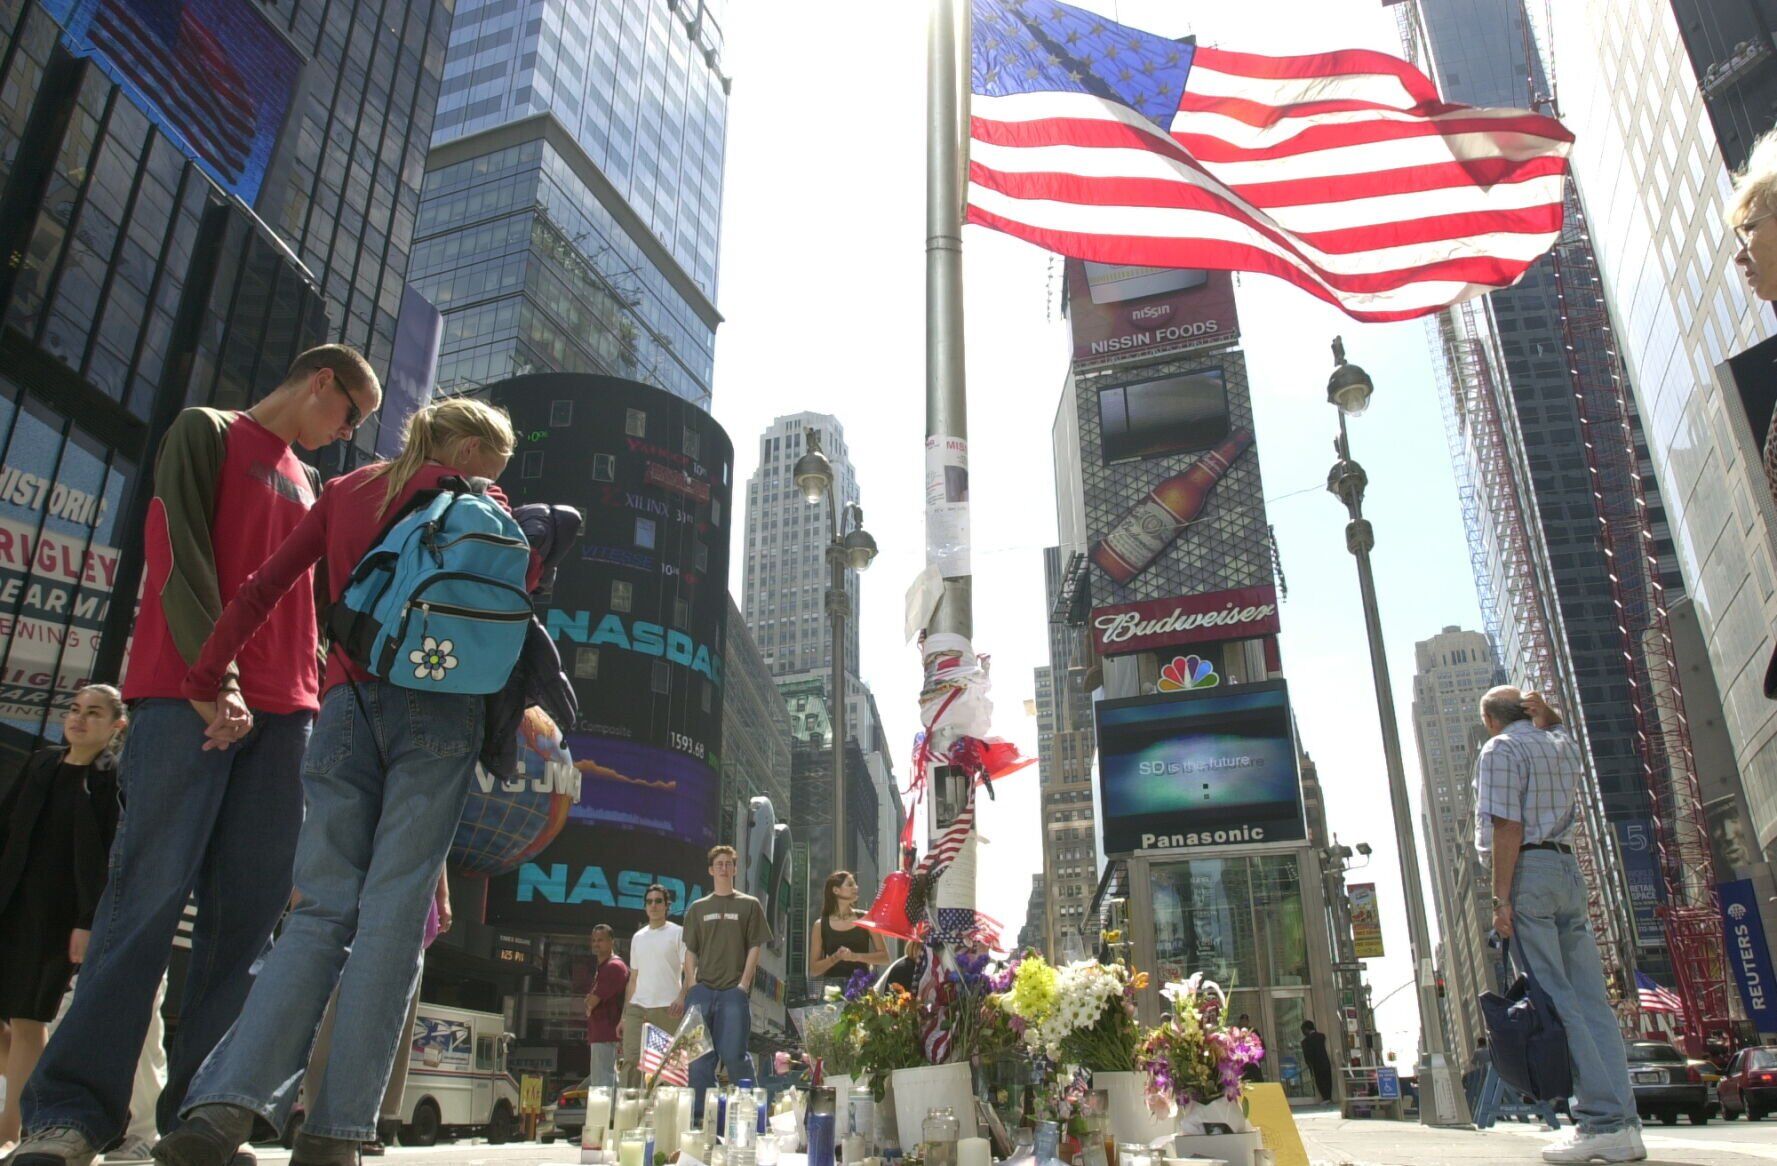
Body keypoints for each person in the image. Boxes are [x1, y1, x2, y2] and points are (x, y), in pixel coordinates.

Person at [10, 347, 378, 1166]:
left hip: (289, 719)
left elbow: (315, 602)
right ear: (322, 382)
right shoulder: (206, 432)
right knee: (143, 900)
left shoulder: (313, 484)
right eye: (350, 414)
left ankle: (202, 1119)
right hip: (188, 694)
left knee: (244, 930)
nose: (348, 432)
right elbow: (178, 551)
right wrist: (223, 680)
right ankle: (70, 1114)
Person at [148, 397, 529, 1166]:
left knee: (319, 913)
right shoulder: (477, 499)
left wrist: (207, 669)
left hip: (345, 707)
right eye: (492, 460)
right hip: (439, 716)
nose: (493, 476)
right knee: (393, 919)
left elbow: (262, 586)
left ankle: (219, 1114)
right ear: (464, 444)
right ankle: (334, 1133)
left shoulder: (346, 491)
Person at [1475, 687, 1644, 1164]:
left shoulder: (1500, 749)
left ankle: (1601, 1123)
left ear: (1491, 720)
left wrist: (1500, 897)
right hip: (1568, 871)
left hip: (1528, 873)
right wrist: (1552, 716)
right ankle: (1624, 1124)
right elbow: (1559, 727)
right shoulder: (1560, 742)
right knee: (1592, 1003)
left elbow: (1507, 827)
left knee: (1556, 998)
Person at [0, 688, 128, 1148]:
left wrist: (87, 920)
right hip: (11, 901)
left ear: (117, 726)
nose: (79, 719)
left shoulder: (112, 778)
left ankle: (10, 1132)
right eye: (74, 710)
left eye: (93, 713)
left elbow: (107, 857)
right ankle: (47, 1083)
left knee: (29, 1016)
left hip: (57, 916)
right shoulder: (41, 764)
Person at [298, 870, 450, 1155]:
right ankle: (322, 1124)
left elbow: (436, 835)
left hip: (404, 899)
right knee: (329, 1017)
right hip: (351, 890)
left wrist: (443, 893)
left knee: (385, 1020)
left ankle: (359, 1124)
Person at [679, 846, 770, 1120]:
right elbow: (690, 950)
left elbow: (755, 946)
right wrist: (692, 983)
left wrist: (743, 984)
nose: (723, 868)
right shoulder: (698, 908)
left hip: (733, 991)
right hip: (702, 991)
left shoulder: (749, 904)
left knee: (734, 1056)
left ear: (734, 869)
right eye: (718, 863)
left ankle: (751, 1116)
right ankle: (701, 1118)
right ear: (711, 869)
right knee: (698, 1060)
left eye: (728, 863)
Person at [621, 885, 685, 1088]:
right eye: (649, 901)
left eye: (658, 901)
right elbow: (633, 977)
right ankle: (627, 1111)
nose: (654, 905)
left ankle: (664, 1115)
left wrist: (682, 998)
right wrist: (624, 1014)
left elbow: (691, 972)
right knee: (631, 1060)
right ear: (645, 906)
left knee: (667, 1066)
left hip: (667, 1008)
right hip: (637, 1008)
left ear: (667, 906)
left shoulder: (678, 933)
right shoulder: (638, 937)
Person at [808, 871, 887, 985]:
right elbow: (814, 970)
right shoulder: (820, 925)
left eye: (855, 884)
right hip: (833, 991)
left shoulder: (867, 918)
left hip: (861, 987)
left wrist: (855, 957)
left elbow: (885, 957)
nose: (856, 887)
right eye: (850, 884)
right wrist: (835, 957)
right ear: (836, 890)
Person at [584, 925, 627, 1090]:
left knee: (603, 1085)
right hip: (603, 1034)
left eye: (600, 940)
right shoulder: (604, 967)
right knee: (605, 1080)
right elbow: (589, 1001)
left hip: (608, 1034)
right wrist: (589, 1002)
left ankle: (607, 1116)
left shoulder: (613, 967)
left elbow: (591, 1002)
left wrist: (590, 1003)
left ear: (612, 942)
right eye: (594, 940)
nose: (596, 944)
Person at [1300, 1021, 1333, 1104]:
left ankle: (1325, 1098)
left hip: (1315, 1064)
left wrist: (1308, 1064)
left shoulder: (1305, 1042)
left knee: (1320, 1081)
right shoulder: (1321, 1036)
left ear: (1306, 1030)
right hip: (1325, 1062)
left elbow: (1307, 1055)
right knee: (1328, 1079)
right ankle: (1328, 1097)